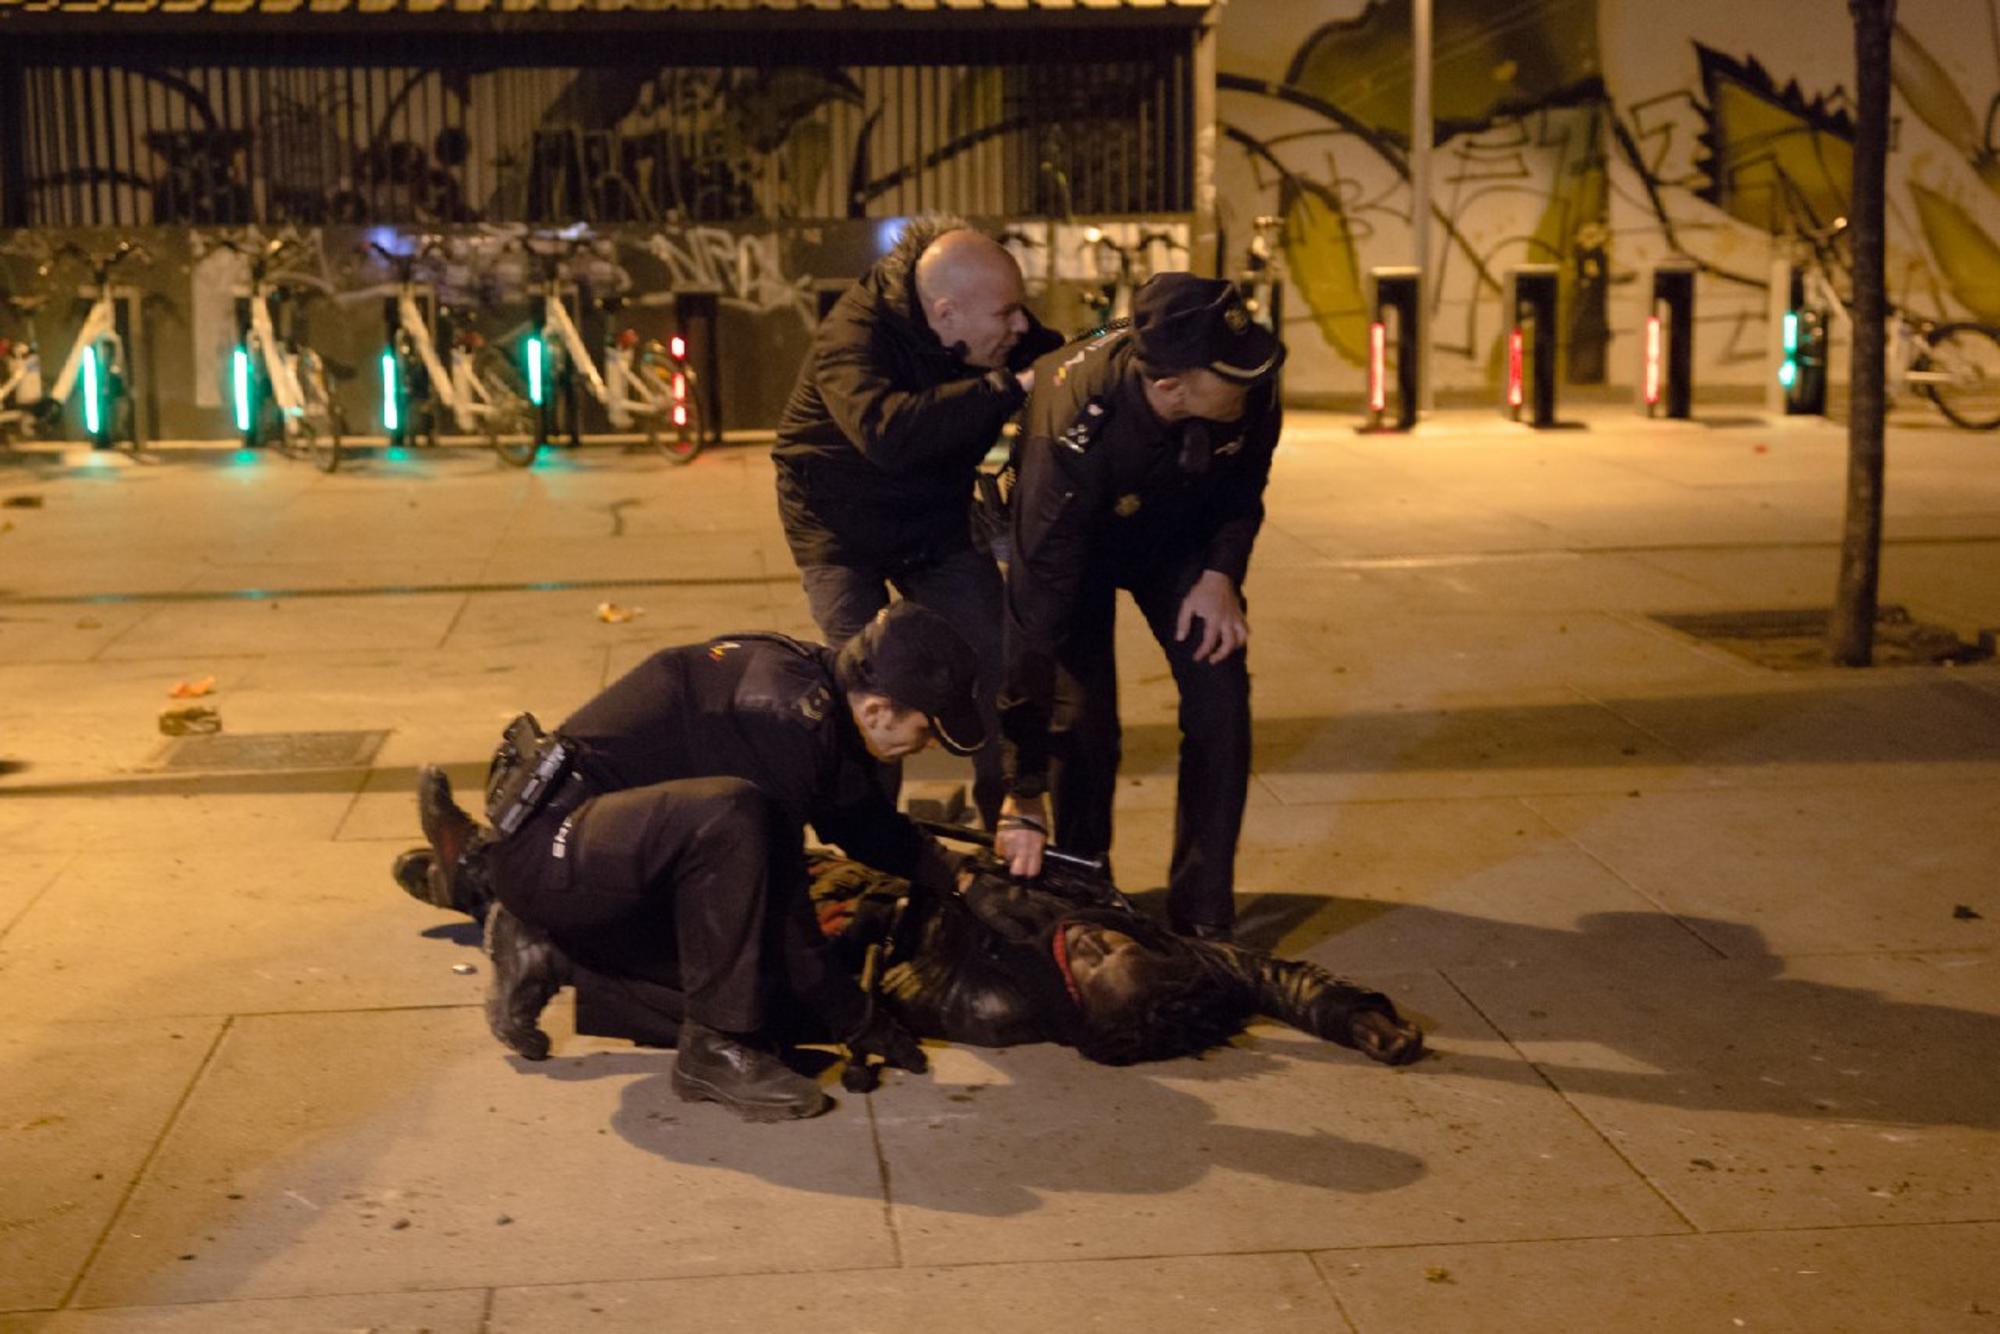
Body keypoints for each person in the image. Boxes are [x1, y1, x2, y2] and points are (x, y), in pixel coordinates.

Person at [397, 602, 986, 1123]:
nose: (928, 745)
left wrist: (955, 876)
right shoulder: (783, 723)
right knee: (742, 853)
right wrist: (853, 1017)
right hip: (555, 855)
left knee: (757, 939)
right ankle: (717, 1046)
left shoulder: (817, 688)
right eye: (926, 730)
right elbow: (781, 903)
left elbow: (860, 820)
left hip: (588, 848)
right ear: (881, 708)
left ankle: (550, 947)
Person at [396, 846, 1425, 1070]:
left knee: (661, 898)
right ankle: (470, 872)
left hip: (830, 932)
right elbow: (1259, 973)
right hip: (856, 887)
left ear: (1081, 1002)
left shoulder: (999, 1003)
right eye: (1115, 940)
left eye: (1097, 955)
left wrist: (971, 880)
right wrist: (1354, 1015)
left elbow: (909, 951)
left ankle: (505, 910)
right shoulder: (1151, 960)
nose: (1098, 935)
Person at [995, 273, 1285, 943]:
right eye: (1232, 376)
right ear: (1169, 385)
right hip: (1075, 546)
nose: (1255, 379)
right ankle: (1082, 883)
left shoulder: (1246, 380)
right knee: (1086, 718)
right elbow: (1035, 621)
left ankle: (1203, 913)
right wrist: (1024, 779)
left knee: (1221, 695)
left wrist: (1221, 574)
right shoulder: (1071, 432)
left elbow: (1247, 483)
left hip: (1179, 536)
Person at [772, 217, 1063, 829]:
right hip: (838, 526)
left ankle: (1010, 826)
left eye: (1021, 310)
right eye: (1006, 314)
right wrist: (1009, 387)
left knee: (996, 659)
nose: (1020, 326)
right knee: (874, 687)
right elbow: (889, 434)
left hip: (932, 519)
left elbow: (1063, 359)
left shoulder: (993, 323)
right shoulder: (851, 336)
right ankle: (878, 843)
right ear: (947, 312)